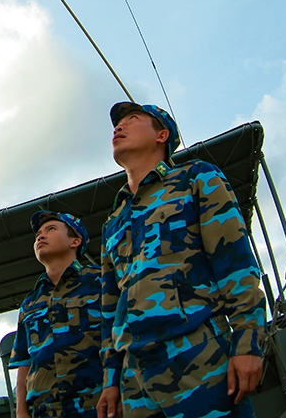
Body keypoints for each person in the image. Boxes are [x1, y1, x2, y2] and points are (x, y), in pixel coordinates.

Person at [97, 102, 265, 418]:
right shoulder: (113, 222)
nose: (119, 127)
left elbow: (236, 262)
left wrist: (248, 342)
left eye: (132, 119)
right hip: (136, 379)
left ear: (162, 134)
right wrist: (111, 381)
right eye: (117, 124)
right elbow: (110, 310)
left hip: (198, 355)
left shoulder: (195, 178)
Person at [9, 210, 104, 418]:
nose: (41, 236)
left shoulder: (101, 282)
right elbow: (25, 361)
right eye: (38, 235)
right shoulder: (30, 303)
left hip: (98, 405)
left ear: (75, 241)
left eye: (51, 229)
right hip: (46, 410)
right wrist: (21, 411)